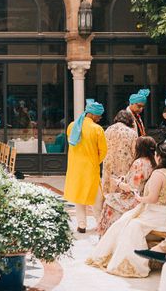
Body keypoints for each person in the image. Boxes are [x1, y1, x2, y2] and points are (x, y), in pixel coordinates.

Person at [87, 143, 166, 277]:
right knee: (126, 220)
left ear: (158, 156)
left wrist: (139, 198)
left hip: (161, 215)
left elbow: (152, 198)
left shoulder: (158, 173)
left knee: (132, 225)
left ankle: (134, 264)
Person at [63, 99, 107, 233]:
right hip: (90, 167)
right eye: (99, 115)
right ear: (93, 115)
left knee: (79, 195)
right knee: (96, 196)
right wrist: (95, 161)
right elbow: (104, 151)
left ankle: (81, 224)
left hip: (75, 167)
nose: (100, 118)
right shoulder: (97, 129)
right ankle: (99, 222)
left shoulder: (72, 126)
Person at [97, 136, 156, 236]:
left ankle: (108, 234)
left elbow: (131, 188)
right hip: (144, 196)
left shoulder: (139, 163)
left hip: (134, 199)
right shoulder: (153, 162)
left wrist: (118, 183)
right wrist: (124, 178)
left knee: (109, 199)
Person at [101, 110, 138, 196]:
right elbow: (135, 152)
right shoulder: (132, 133)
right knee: (122, 190)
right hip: (124, 165)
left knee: (108, 190)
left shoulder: (107, 130)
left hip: (108, 163)